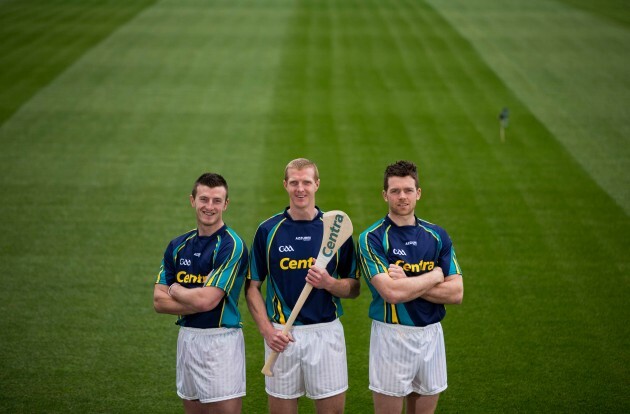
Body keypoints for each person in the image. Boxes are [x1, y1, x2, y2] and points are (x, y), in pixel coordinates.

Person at [245, 158, 360, 414]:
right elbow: (252, 287)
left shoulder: (335, 230)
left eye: (306, 182)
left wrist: (329, 283)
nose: (300, 189)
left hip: (325, 332)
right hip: (282, 335)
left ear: (316, 184)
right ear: (285, 185)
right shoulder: (268, 230)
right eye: (294, 182)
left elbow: (353, 288)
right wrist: (267, 331)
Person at [357, 160, 463, 414]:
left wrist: (407, 282)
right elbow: (391, 293)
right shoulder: (371, 238)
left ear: (418, 193)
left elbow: (456, 293)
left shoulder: (437, 235)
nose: (402, 197)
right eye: (395, 191)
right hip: (392, 336)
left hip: (431, 335)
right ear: (385, 195)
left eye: (407, 190)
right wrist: (435, 275)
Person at [153, 173, 248, 414]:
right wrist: (195, 298)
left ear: (226, 204)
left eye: (217, 200)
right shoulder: (177, 245)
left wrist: (175, 289)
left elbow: (208, 301)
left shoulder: (232, 245)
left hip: (220, 341)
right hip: (187, 338)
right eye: (204, 199)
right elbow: (158, 301)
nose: (209, 206)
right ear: (192, 200)